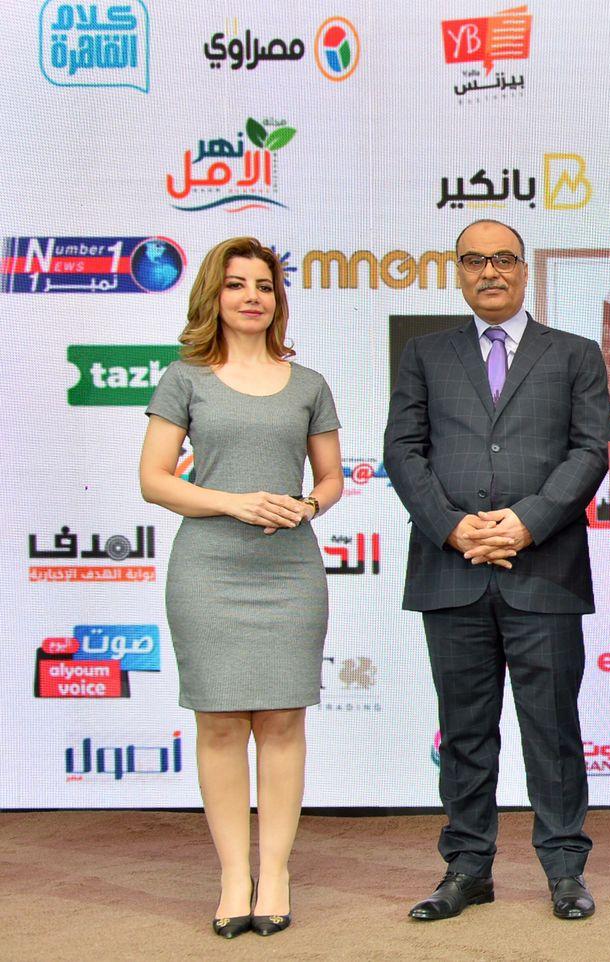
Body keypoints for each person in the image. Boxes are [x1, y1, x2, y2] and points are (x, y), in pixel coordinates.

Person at [384, 219, 609, 921]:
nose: (490, 271)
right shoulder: (424, 354)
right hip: (451, 571)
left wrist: (528, 521)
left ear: (524, 268)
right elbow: (402, 450)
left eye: (504, 259)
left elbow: (589, 451)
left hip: (544, 570)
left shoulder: (574, 354)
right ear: (457, 271)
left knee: (553, 730)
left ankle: (565, 870)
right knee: (464, 733)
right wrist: (453, 528)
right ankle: (467, 869)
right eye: (475, 260)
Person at [139, 236, 343, 938]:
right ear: (214, 296)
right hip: (209, 568)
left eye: (263, 285)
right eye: (236, 284)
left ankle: (275, 873)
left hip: (289, 570)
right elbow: (155, 480)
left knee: (283, 721)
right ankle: (234, 876)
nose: (252, 296)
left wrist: (306, 506)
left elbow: (331, 479)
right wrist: (234, 501)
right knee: (220, 723)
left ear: (277, 299)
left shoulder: (308, 384)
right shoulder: (184, 378)